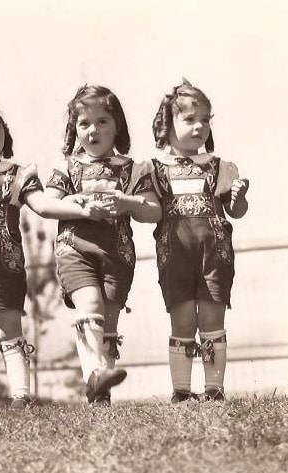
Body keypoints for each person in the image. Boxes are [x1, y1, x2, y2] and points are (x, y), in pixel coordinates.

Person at [0, 94, 104, 409]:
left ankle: (21, 394)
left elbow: (42, 205)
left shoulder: (16, 174)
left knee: (9, 329)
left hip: (5, 265)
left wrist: (75, 206)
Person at [45, 85, 162, 407]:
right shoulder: (67, 167)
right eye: (84, 123)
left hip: (117, 253)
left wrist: (127, 202)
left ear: (117, 126)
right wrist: (78, 205)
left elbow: (154, 211)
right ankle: (95, 373)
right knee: (90, 307)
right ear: (74, 130)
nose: (93, 130)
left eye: (102, 121)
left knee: (108, 321)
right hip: (75, 248)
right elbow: (48, 204)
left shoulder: (134, 168)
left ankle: (100, 393)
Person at [147, 79, 249, 403]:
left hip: (215, 254)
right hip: (174, 255)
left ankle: (214, 389)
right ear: (167, 126)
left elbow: (236, 211)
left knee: (211, 317)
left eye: (205, 119)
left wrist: (239, 197)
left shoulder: (219, 167)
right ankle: (180, 390)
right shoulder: (154, 170)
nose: (200, 126)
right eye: (190, 119)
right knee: (183, 319)